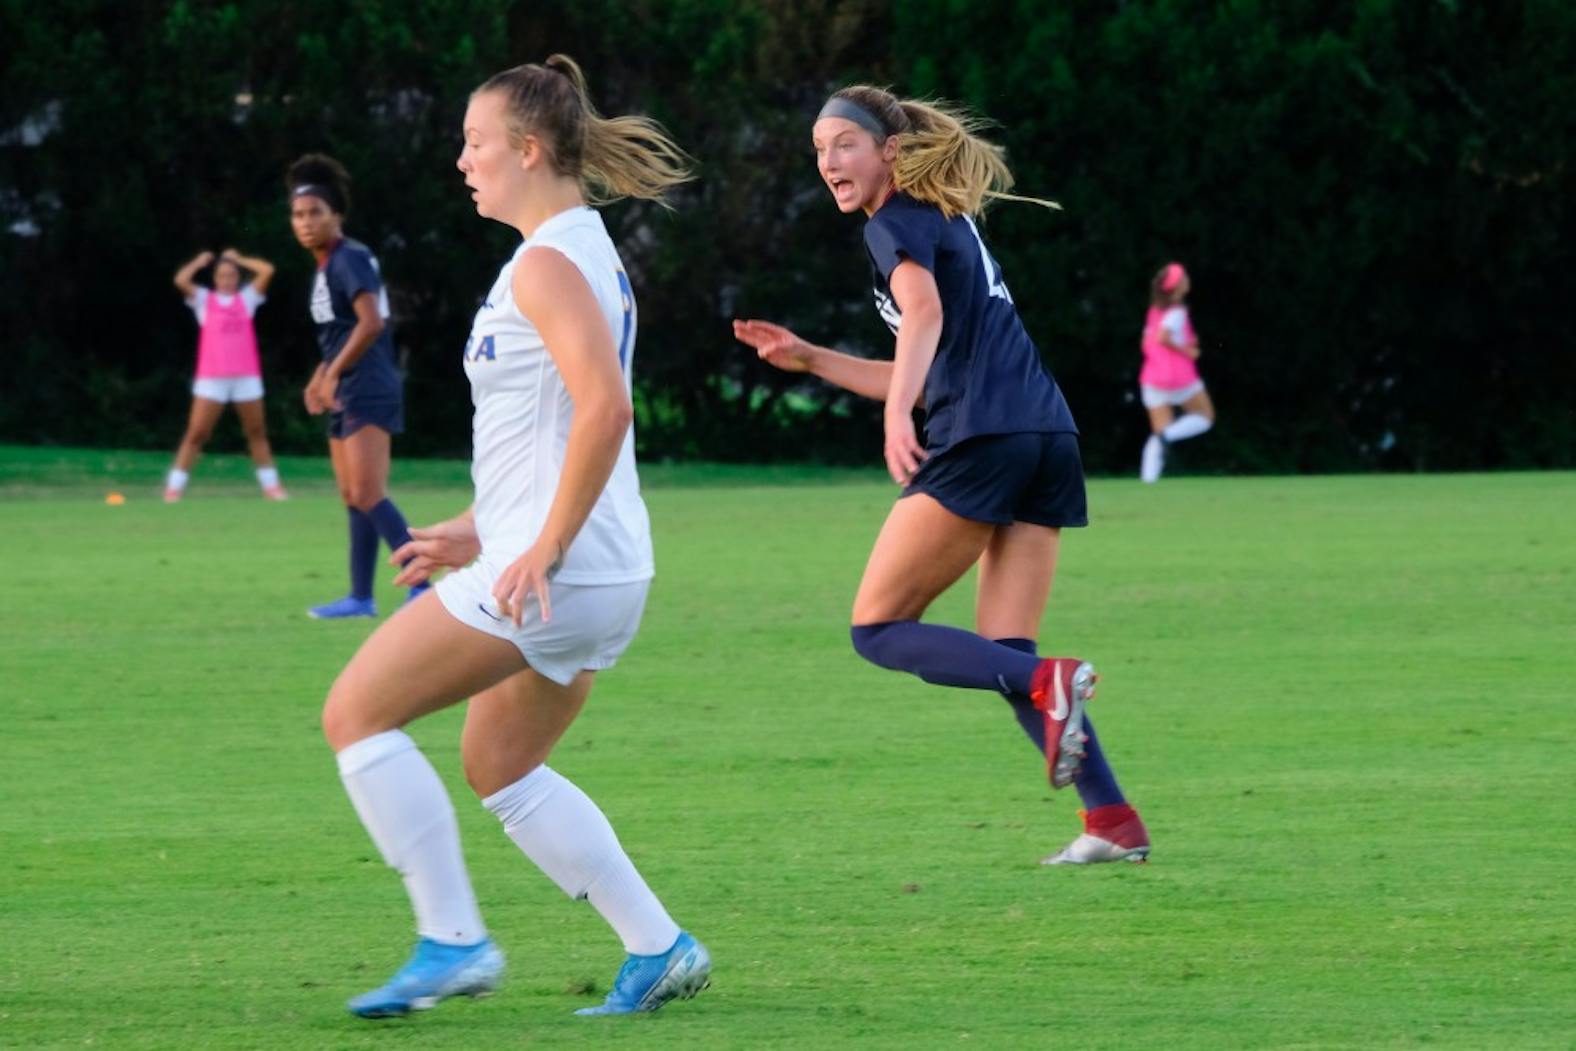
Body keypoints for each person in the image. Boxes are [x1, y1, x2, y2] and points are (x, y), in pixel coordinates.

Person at [319, 54, 709, 1021]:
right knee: (500, 762)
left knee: (355, 713)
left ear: (529, 150)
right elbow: (549, 432)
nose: (462, 161)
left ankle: (452, 939)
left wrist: (541, 544)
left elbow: (606, 409)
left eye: (476, 142)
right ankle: (659, 946)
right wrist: (478, 526)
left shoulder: (547, 261)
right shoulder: (571, 248)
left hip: (558, 572)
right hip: (590, 567)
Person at [733, 85, 1150, 866]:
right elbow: (922, 365)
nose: (828, 162)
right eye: (818, 150)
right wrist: (811, 358)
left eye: (843, 145)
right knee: (1007, 645)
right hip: (1046, 435)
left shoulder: (894, 222)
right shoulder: (943, 220)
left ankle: (1050, 681)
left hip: (981, 437)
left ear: (889, 151)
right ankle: (1112, 819)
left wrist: (896, 420)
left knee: (878, 629)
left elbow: (922, 324)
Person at [286, 153, 423, 618]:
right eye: (298, 215)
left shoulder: (350, 258)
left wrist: (331, 372)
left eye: (315, 213)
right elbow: (341, 332)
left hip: (369, 385)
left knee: (368, 492)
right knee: (352, 495)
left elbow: (371, 323)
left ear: (336, 216)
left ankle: (421, 580)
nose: (305, 223)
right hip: (347, 386)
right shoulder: (327, 266)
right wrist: (319, 375)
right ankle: (361, 597)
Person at [166, 248, 287, 502]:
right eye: (222, 275)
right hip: (212, 378)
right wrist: (198, 262)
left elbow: (267, 270)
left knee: (256, 432)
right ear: (215, 279)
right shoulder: (203, 300)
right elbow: (181, 281)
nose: (227, 280)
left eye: (231, 275)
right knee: (197, 433)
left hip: (246, 377)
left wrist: (239, 258)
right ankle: (174, 487)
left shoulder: (247, 298)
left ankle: (271, 487)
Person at [1138, 262, 1214, 483]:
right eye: (1184, 277)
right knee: (1205, 417)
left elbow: (1147, 342)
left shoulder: (1154, 311)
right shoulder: (1177, 311)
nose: (1188, 280)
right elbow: (1164, 337)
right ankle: (1167, 437)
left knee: (1158, 433)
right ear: (1177, 285)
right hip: (1180, 377)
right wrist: (1188, 350)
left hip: (1152, 378)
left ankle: (1148, 481)